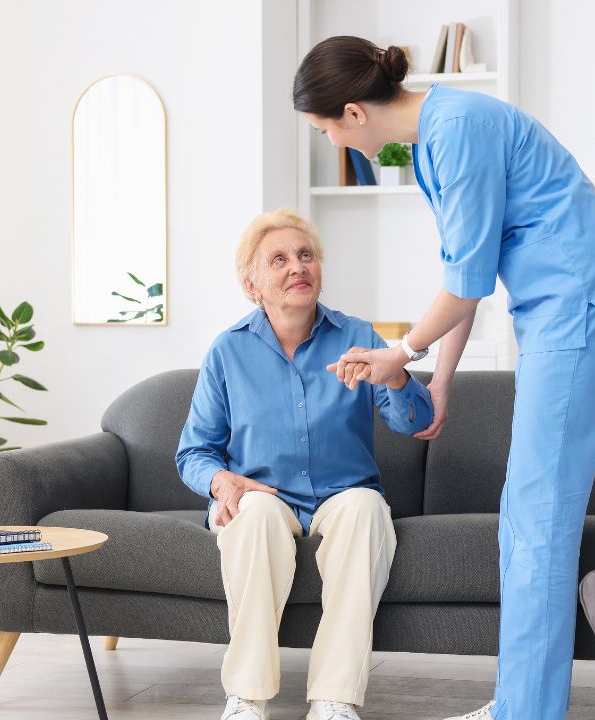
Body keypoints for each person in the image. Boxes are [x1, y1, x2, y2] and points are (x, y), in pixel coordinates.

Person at [292, 37, 595, 720]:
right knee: (529, 511)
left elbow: (462, 287)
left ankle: (526, 711)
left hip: (579, 303)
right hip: (557, 308)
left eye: (327, 133)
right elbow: (469, 272)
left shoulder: (455, 132)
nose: (340, 147)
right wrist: (441, 380)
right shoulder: (434, 140)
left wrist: (401, 354)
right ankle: (521, 703)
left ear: (351, 113)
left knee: (537, 514)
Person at [176, 209, 434, 720]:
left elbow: (416, 423)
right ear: (253, 285)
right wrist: (222, 482)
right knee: (253, 517)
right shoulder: (228, 352)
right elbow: (194, 452)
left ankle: (334, 700)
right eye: (279, 260)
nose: (297, 267)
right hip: (265, 497)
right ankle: (246, 700)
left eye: (305, 255)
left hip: (344, 495)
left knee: (364, 510)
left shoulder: (356, 335)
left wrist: (398, 376)